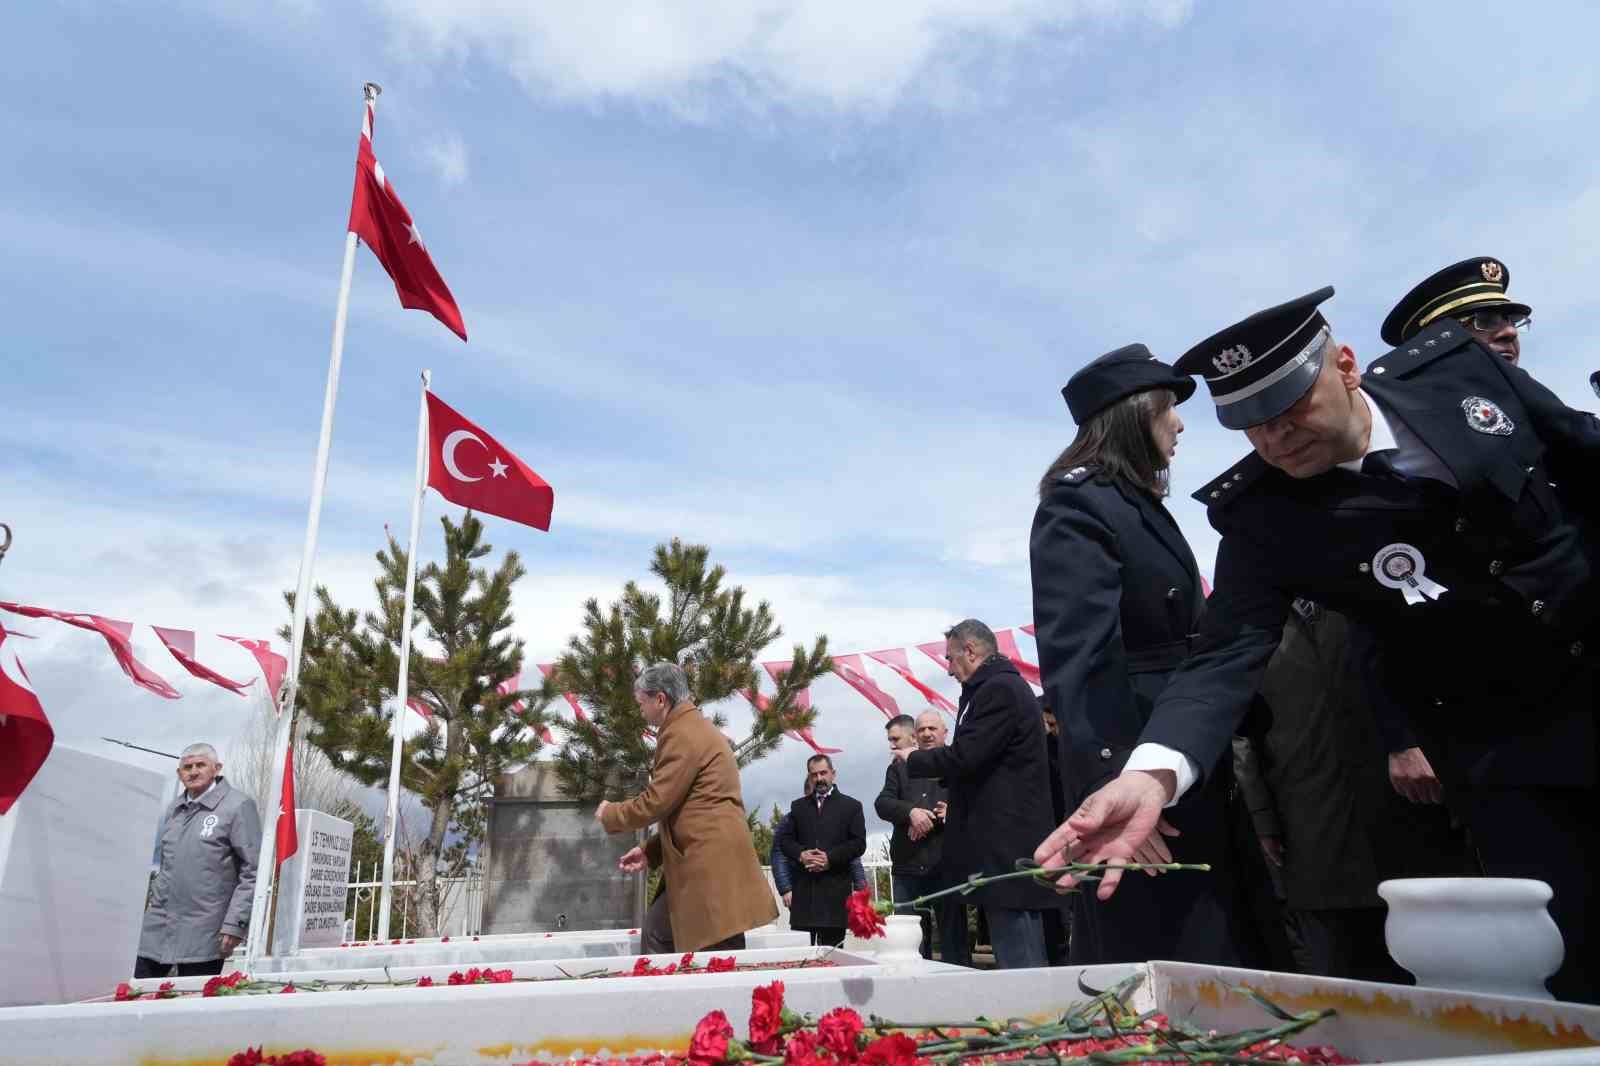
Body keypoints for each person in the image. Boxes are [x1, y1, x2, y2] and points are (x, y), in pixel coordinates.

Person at [1037, 287, 1600, 1003]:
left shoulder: (1457, 370)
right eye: (1249, 424)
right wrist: (1150, 774)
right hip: (1507, 750)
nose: (1274, 439)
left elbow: (1583, 456)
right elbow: (1224, 653)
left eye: (1288, 407)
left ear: (1346, 365)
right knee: (1576, 956)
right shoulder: (1263, 516)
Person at [1029, 344, 1256, 967]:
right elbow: (1080, 660)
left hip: (1181, 757)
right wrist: (1115, 786)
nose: (1179, 425)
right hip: (1136, 770)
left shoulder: (1135, 503)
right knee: (1162, 958)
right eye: (1168, 410)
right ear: (1134, 416)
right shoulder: (1079, 503)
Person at [1237, 602, 1479, 983]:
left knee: (1452, 976)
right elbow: (1241, 728)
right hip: (1311, 828)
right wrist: (1262, 818)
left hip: (1415, 816)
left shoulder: (1370, 586)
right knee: (1348, 986)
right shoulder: (1249, 612)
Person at [896, 620, 1055, 969]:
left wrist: (915, 759)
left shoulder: (999, 690)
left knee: (1020, 955)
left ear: (969, 651)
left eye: (950, 658)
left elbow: (967, 755)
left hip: (1007, 842)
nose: (948, 669)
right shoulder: (992, 689)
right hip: (999, 841)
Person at [600, 662, 779, 952]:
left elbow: (657, 801)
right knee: (715, 944)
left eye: (642, 703)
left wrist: (611, 814)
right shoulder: (692, 727)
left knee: (665, 936)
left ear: (660, 699)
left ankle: (665, 986)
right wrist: (650, 852)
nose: (640, 710)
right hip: (713, 857)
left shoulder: (681, 733)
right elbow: (691, 808)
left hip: (708, 860)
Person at [135, 743, 260, 978]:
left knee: (192, 997)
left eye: (200, 765)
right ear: (179, 773)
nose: (193, 772)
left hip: (206, 930)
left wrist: (235, 924)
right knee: (138, 991)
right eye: (187, 767)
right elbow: (165, 866)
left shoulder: (238, 805)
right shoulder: (174, 809)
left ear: (216, 768)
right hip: (158, 926)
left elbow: (253, 870)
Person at [876, 711, 968, 965]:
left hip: (946, 867)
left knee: (954, 943)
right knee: (908, 946)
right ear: (915, 736)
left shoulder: (958, 764)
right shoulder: (899, 768)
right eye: (922, 729)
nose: (927, 733)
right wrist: (911, 813)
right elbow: (883, 803)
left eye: (932, 728)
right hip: (908, 868)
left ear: (945, 732)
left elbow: (977, 803)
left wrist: (949, 815)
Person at [776, 755, 866, 946]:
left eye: (823, 773)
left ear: (833, 773)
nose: (819, 778)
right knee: (802, 957)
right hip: (804, 898)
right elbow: (784, 842)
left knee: (832, 956)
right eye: (814, 775)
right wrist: (801, 854)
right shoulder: (798, 807)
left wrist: (829, 858)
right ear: (809, 777)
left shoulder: (852, 806)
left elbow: (858, 844)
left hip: (834, 897)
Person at [1381, 256, 1532, 367]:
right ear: (1433, 340)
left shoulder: (1537, 400)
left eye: (1513, 321)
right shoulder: (1394, 401)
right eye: (1486, 320)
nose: (1511, 332)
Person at [771, 773, 869, 915]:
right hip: (802, 887)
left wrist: (861, 887)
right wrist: (786, 888)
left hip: (834, 886)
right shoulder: (791, 819)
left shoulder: (839, 817)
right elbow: (779, 854)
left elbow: (851, 854)